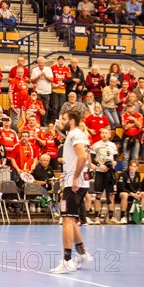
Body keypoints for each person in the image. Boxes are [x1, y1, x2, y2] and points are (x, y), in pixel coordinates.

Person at [50, 110, 93, 274]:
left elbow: (82, 156)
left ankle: (67, 261)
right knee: (71, 219)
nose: (62, 121)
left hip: (75, 182)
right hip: (75, 182)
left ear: (72, 121)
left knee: (66, 220)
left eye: (64, 119)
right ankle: (81, 253)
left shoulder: (75, 133)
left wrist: (74, 178)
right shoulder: (75, 133)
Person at [89, 128, 118, 225]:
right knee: (98, 194)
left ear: (109, 135)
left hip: (110, 173)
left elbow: (116, 157)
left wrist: (115, 162)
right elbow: (92, 159)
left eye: (106, 133)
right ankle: (96, 217)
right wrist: (99, 165)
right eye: (103, 133)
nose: (105, 134)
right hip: (100, 172)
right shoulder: (96, 145)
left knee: (111, 195)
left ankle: (111, 217)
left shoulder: (112, 145)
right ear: (100, 134)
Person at [116, 160, 144, 225]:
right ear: (128, 166)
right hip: (124, 193)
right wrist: (132, 194)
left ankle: (141, 216)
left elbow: (139, 185)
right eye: (131, 166)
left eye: (134, 166)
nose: (132, 168)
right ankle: (123, 216)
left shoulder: (138, 174)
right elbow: (121, 187)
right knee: (125, 195)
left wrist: (138, 192)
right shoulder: (123, 174)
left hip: (134, 193)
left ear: (137, 167)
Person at [30, 57, 53, 126]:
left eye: (42, 63)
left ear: (44, 63)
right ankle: (37, 121)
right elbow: (32, 81)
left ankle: (44, 122)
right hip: (38, 92)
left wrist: (45, 76)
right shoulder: (34, 70)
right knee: (37, 107)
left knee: (45, 108)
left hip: (47, 92)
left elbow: (52, 80)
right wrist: (38, 77)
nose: (40, 64)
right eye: (39, 63)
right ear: (37, 63)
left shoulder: (48, 69)